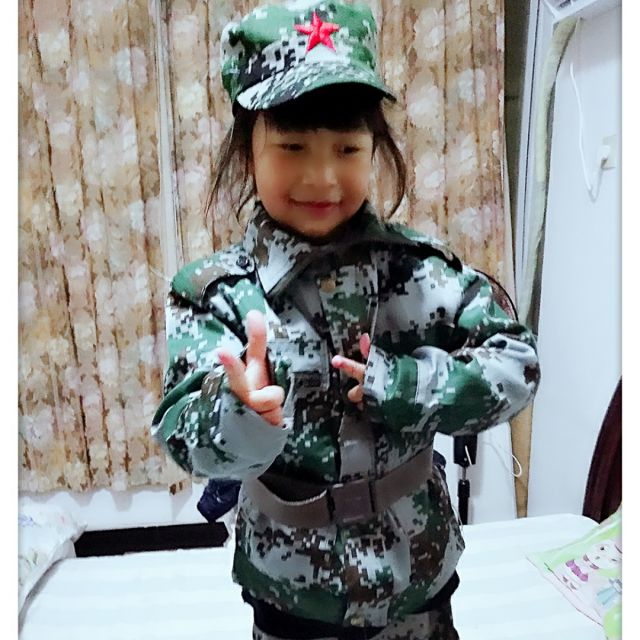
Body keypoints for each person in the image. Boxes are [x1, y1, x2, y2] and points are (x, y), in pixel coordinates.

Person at [152, 2, 541, 639]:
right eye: (292, 147)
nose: (323, 176)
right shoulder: (216, 293)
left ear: (374, 149)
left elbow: (518, 365)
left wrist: (412, 387)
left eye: (347, 148)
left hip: (417, 582)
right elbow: (180, 433)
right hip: (293, 597)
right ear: (247, 152)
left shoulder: (421, 272)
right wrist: (241, 413)